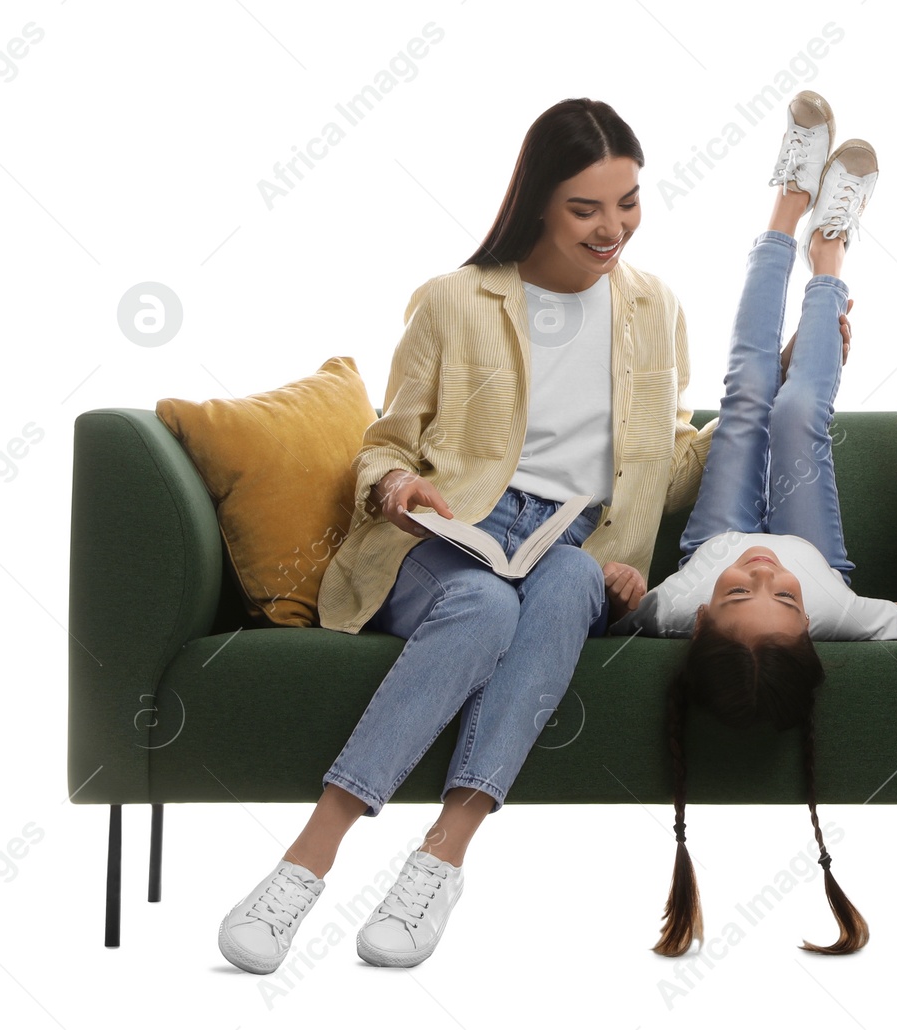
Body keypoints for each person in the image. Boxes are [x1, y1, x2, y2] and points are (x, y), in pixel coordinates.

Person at [218, 98, 714, 974]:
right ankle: (308, 860)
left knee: (567, 583)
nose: (614, 229)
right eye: (586, 208)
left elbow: (666, 468)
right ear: (537, 203)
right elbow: (385, 443)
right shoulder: (456, 299)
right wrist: (399, 486)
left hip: (571, 545)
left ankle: (440, 861)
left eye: (629, 201)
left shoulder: (655, 309)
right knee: (483, 603)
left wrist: (769, 396)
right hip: (453, 537)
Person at [614, 92, 897, 958]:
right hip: (826, 545)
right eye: (784, 598)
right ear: (815, 622)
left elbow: (614, 607)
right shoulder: (838, 610)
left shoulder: (676, 603)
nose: (766, 570)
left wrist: (615, 588)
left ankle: (788, 204)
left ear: (701, 613)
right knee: (801, 405)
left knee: (744, 395)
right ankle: (834, 251)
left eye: (742, 591)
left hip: (712, 524)